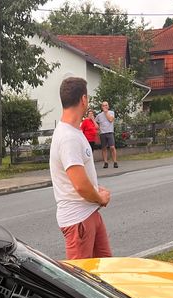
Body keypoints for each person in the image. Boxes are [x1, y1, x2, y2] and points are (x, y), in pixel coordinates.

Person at [49, 77, 112, 260]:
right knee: (80, 281)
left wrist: (96, 189)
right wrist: (99, 197)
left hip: (89, 214)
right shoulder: (68, 137)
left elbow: (81, 179)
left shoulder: (74, 132)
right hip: (78, 221)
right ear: (83, 99)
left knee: (105, 272)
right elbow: (80, 185)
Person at [94, 100, 118, 168]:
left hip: (110, 132)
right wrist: (98, 130)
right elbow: (95, 123)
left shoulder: (111, 112)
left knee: (112, 147)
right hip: (102, 133)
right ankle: (105, 162)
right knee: (104, 148)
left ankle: (115, 162)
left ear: (108, 106)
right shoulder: (99, 115)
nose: (105, 106)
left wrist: (106, 112)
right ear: (101, 107)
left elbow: (110, 120)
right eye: (103, 105)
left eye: (106, 105)